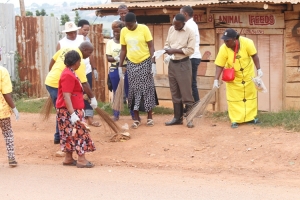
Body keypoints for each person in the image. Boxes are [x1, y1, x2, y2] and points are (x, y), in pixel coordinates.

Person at [45, 42, 98, 144]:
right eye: (90, 52)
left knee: (61, 109)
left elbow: (53, 60)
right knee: (63, 110)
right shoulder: (78, 61)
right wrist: (93, 98)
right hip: (56, 84)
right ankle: (60, 137)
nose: (90, 55)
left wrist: (51, 73)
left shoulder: (68, 49)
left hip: (50, 81)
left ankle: (59, 136)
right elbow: (85, 83)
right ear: (85, 50)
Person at [213, 28, 263, 128]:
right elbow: (219, 65)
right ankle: (235, 120)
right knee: (234, 99)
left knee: (250, 97)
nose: (225, 42)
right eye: (224, 40)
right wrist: (216, 79)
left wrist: (259, 69)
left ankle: (251, 118)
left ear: (235, 39)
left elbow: (254, 56)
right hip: (233, 78)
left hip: (248, 75)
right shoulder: (223, 48)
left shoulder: (248, 43)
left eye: (228, 40)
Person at [56, 50, 95, 168]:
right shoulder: (68, 75)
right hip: (69, 110)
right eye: (79, 61)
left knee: (68, 133)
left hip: (66, 110)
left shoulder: (69, 72)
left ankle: (68, 158)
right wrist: (73, 114)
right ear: (76, 62)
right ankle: (82, 160)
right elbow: (66, 95)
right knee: (80, 133)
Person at [119, 12, 158, 128]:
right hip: (131, 63)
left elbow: (151, 46)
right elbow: (123, 50)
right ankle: (136, 118)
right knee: (133, 90)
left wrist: (153, 62)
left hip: (145, 61)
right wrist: (120, 66)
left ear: (135, 22)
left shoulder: (144, 29)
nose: (128, 27)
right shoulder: (124, 31)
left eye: (130, 25)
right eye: (126, 25)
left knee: (147, 88)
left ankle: (150, 117)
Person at [164, 14, 195, 128]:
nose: (175, 27)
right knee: (174, 91)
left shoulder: (190, 32)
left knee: (186, 92)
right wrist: (167, 51)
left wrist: (175, 50)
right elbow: (167, 44)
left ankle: (190, 119)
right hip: (172, 64)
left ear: (183, 23)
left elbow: (190, 50)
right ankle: (177, 118)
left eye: (177, 25)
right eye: (174, 24)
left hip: (183, 64)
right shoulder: (171, 29)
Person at [106, 20, 134, 121]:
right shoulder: (110, 43)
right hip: (114, 69)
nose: (115, 33)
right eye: (114, 31)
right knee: (116, 92)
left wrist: (124, 58)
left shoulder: (127, 41)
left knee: (129, 91)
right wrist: (117, 58)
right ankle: (116, 114)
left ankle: (133, 114)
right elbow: (108, 58)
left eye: (117, 31)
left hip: (126, 68)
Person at [77, 19, 100, 127]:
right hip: (75, 72)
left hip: (87, 71)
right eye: (84, 30)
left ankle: (90, 118)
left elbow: (90, 55)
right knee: (78, 95)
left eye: (87, 30)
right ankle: (79, 118)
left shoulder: (87, 40)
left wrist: (94, 68)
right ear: (79, 28)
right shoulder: (75, 40)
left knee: (88, 93)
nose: (86, 32)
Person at [0, 48, 19, 167]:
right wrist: (14, 108)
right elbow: (6, 93)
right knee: (8, 134)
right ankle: (11, 158)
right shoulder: (2, 71)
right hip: (2, 110)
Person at [180, 6, 201, 104]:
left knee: (191, 83)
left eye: (181, 13)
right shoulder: (191, 24)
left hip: (192, 57)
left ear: (185, 14)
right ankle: (191, 107)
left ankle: (195, 108)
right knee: (189, 83)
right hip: (192, 56)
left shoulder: (189, 25)